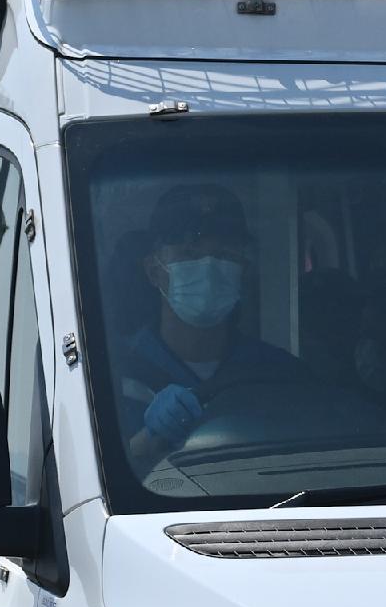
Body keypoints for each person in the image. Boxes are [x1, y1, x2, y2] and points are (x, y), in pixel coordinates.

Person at [111, 183, 303, 468]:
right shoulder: (113, 380)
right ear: (154, 270)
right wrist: (146, 441)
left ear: (243, 269)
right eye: (190, 253)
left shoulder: (278, 372)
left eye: (224, 254)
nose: (209, 268)